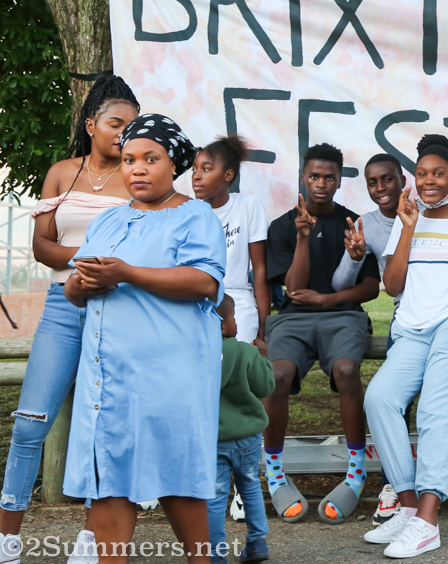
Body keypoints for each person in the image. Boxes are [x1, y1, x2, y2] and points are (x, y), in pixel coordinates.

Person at [62, 113, 226, 564]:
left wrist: (127, 273)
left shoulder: (195, 216)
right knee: (110, 479)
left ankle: (202, 558)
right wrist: (84, 284)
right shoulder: (109, 220)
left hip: (169, 376)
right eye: (129, 158)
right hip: (108, 376)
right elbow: (74, 288)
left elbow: (203, 282)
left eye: (150, 158)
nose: (137, 168)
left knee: (177, 475)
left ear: (174, 164)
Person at [0, 76, 139, 564]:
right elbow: (42, 248)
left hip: (119, 310)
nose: (125, 133)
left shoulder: (139, 177)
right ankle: (7, 536)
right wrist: (95, 256)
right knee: (30, 422)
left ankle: (90, 536)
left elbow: (139, 252)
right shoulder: (62, 173)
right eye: (115, 123)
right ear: (91, 124)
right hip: (62, 307)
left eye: (132, 126)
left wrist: (90, 260)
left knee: (103, 428)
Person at [332, 154, 448, 526]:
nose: (430, 180)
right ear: (414, 179)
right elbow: (392, 285)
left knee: (434, 413)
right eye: (422, 174)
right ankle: (407, 504)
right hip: (411, 330)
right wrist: (408, 228)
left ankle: (427, 520)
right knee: (378, 400)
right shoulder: (405, 223)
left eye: (439, 173)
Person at [262, 143, 380, 524]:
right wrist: (301, 239)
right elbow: (294, 291)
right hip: (292, 318)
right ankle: (275, 472)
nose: (321, 184)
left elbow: (370, 289)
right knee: (277, 376)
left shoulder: (354, 223)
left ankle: (356, 471)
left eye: (329, 177)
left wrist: (329, 299)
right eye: (314, 176)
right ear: (303, 177)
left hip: (342, 315)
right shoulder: (283, 226)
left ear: (339, 179)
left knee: (347, 370)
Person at [208, 295, 275, 564]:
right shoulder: (247, 352)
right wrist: (264, 358)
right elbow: (266, 387)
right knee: (249, 486)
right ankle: (257, 542)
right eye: (234, 318)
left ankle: (214, 553)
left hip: (214, 439)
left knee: (215, 495)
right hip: (247, 437)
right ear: (224, 325)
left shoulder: (199, 355)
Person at [192, 135, 270, 344]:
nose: (196, 176)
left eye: (206, 169)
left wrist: (264, 321)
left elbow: (260, 269)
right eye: (194, 169)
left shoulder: (247, 205)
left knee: (236, 358)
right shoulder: (188, 212)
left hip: (238, 300)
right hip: (196, 298)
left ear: (228, 175)